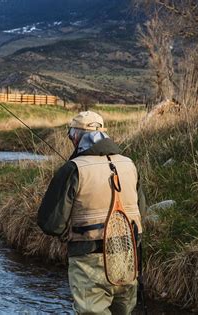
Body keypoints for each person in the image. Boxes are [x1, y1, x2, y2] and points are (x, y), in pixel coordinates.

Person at [37, 111, 145, 315]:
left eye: (71, 136)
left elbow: (50, 222)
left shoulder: (73, 169)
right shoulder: (129, 164)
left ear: (76, 137)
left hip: (89, 259)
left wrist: (67, 235)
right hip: (127, 256)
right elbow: (142, 213)